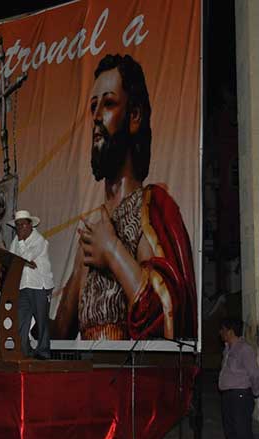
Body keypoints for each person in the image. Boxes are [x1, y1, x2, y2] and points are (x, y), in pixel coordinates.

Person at [53, 54, 197, 342]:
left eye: (108, 104)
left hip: (137, 382)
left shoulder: (154, 207)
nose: (95, 117)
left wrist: (114, 252)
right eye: (93, 107)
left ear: (134, 116)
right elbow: (60, 334)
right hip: (88, 380)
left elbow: (168, 312)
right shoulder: (92, 229)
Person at [7, 210, 54, 360]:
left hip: (39, 285)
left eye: (22, 224)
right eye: (17, 225)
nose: (19, 228)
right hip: (22, 285)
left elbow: (25, 257)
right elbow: (12, 259)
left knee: (41, 320)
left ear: (30, 225)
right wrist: (25, 262)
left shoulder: (38, 240)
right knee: (21, 320)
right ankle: (24, 350)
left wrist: (22, 251)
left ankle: (43, 351)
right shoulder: (16, 240)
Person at [215, 318, 258, 439]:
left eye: (223, 329)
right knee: (231, 432)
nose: (221, 333)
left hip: (240, 395)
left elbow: (254, 374)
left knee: (243, 432)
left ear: (230, 331)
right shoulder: (228, 348)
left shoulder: (244, 349)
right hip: (228, 396)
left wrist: (254, 392)